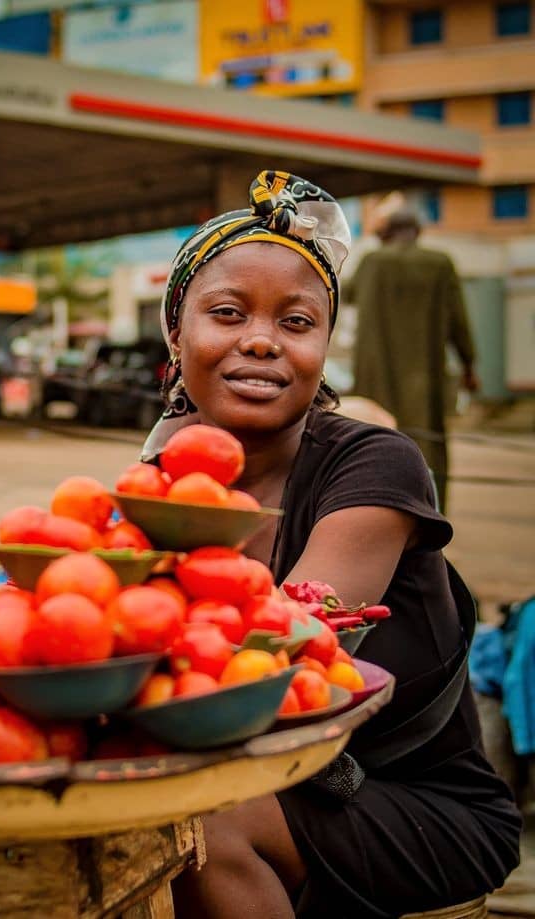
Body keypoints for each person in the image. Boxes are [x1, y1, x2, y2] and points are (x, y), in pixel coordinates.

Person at [141, 170, 521, 919]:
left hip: (415, 802)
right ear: (174, 333)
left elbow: (283, 649)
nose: (259, 339)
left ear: (323, 344)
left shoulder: (377, 463)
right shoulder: (159, 479)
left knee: (200, 824)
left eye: (296, 321)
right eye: (226, 313)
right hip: (264, 779)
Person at [346, 206, 478, 512]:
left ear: (386, 234)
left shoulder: (372, 261)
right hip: (425, 374)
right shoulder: (439, 263)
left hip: (375, 374)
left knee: (373, 438)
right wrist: (469, 365)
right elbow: (459, 319)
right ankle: (429, 508)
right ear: (418, 232)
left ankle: (373, 503)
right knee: (427, 440)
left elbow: (348, 294)